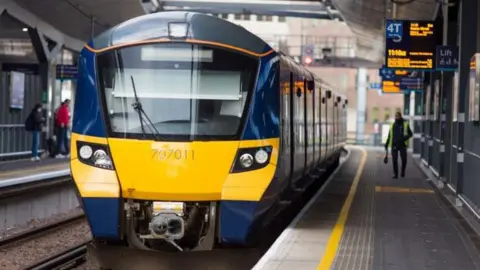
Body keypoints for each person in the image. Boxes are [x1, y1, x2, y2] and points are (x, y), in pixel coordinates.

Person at [384, 111, 413, 178]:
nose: (396, 117)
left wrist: (404, 138)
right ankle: (395, 174)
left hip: (402, 144)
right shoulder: (392, 125)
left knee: (404, 160)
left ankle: (402, 171)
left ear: (400, 116)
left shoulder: (405, 124)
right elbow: (389, 136)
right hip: (394, 144)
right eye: (395, 116)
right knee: (394, 160)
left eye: (397, 116)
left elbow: (410, 134)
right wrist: (386, 144)